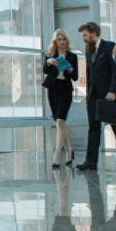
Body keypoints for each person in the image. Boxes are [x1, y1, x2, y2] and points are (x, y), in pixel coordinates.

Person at [76, 22, 116, 171]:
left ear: (94, 33)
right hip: (93, 96)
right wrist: (87, 96)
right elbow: (89, 74)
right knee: (93, 128)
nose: (84, 39)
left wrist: (113, 91)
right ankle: (91, 161)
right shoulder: (88, 51)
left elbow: (115, 71)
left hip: (108, 96)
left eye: (85, 35)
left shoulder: (109, 47)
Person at [43, 29, 78, 168]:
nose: (62, 42)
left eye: (64, 39)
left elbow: (75, 77)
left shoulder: (72, 56)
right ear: (55, 42)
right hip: (53, 90)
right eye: (59, 39)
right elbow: (45, 71)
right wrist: (49, 63)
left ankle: (57, 154)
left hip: (65, 90)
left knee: (60, 120)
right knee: (60, 123)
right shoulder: (50, 55)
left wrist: (71, 71)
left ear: (67, 41)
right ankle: (69, 151)